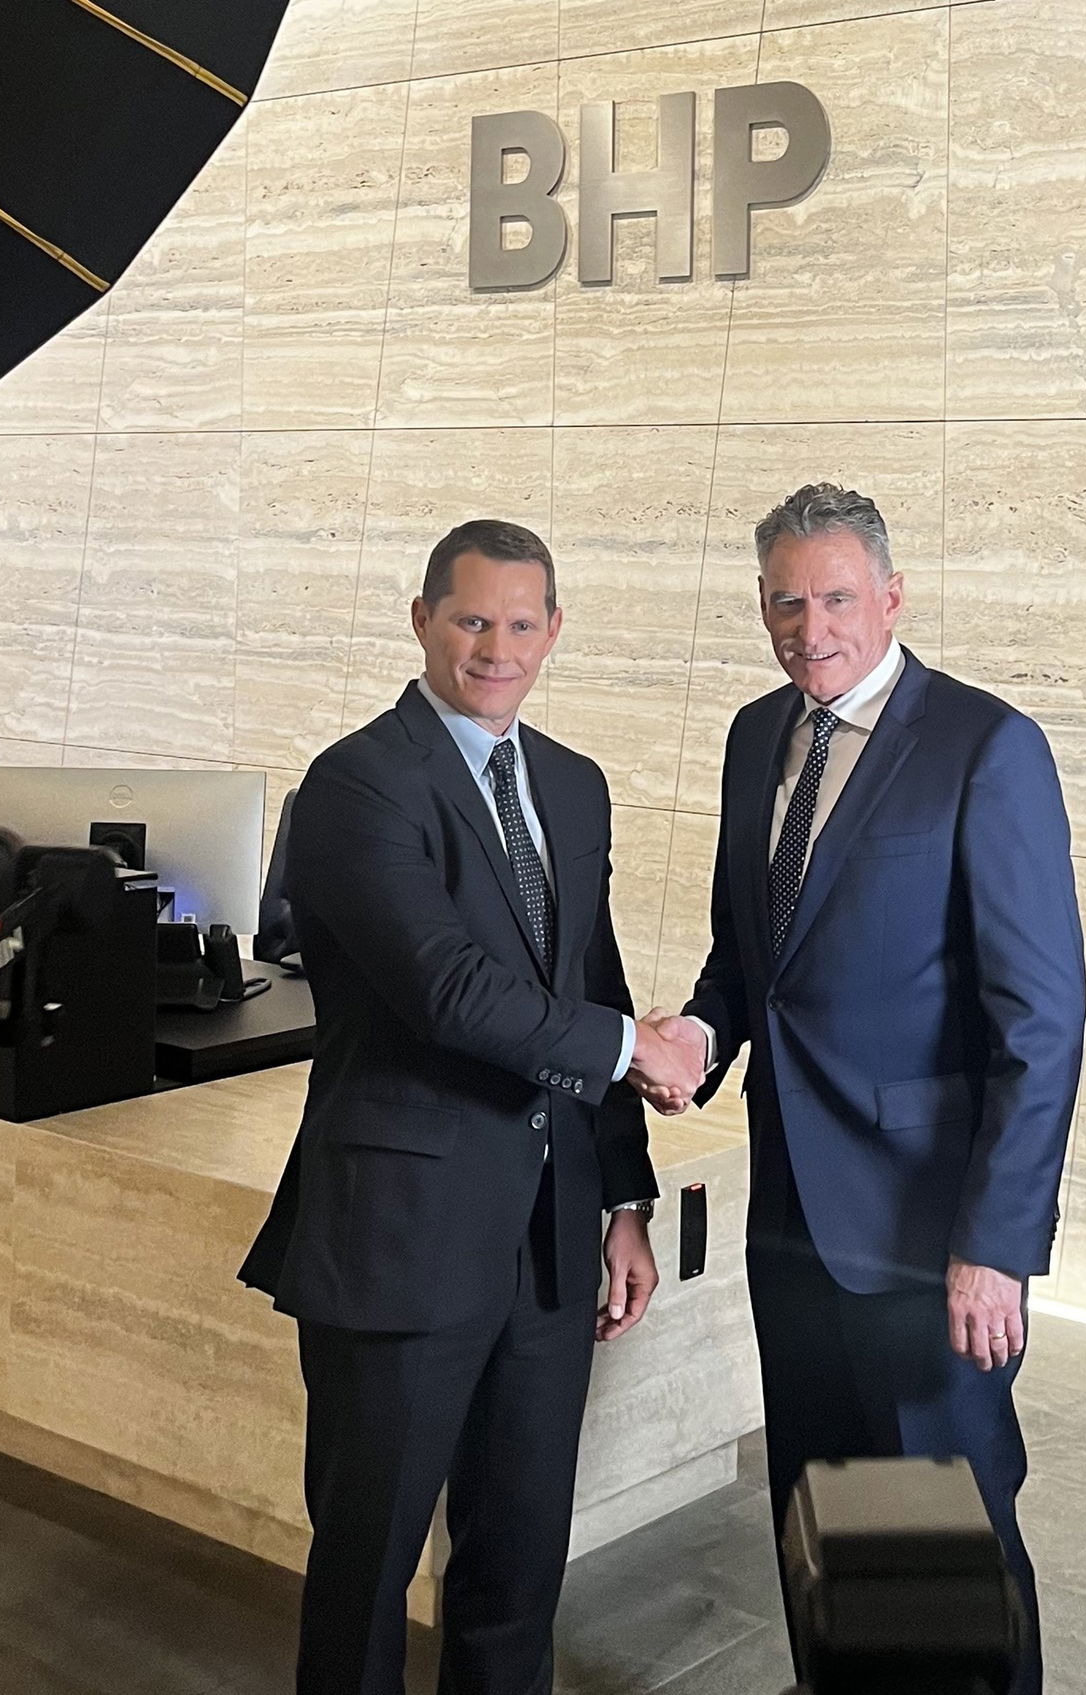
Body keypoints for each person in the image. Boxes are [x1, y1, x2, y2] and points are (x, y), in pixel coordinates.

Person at [635, 484, 1086, 1695]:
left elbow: (1040, 1025)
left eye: (835, 597)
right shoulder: (753, 735)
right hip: (788, 1217)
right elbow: (751, 957)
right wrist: (699, 1032)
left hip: (924, 1234)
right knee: (828, 1513)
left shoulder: (985, 748)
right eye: (785, 602)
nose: (809, 626)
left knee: (944, 1529)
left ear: (891, 594)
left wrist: (996, 1244)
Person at [240, 519, 705, 1695]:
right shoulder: (354, 784)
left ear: (554, 632)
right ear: (423, 622)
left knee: (516, 1569)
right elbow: (449, 988)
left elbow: (588, 981)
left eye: (521, 623)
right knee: (368, 1568)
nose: (496, 648)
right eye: (471, 620)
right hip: (402, 1235)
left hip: (549, 1243)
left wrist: (624, 1197)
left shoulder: (573, 783)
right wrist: (624, 1048)